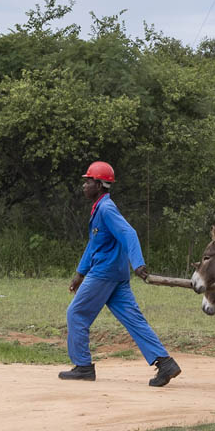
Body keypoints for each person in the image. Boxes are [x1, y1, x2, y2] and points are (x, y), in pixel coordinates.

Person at [58, 161, 182, 386]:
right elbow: (94, 244)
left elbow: (129, 233)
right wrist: (80, 273)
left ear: (99, 184)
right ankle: (165, 363)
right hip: (116, 275)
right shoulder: (99, 208)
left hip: (104, 273)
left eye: (88, 182)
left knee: (76, 314)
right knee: (133, 319)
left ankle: (83, 366)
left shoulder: (106, 208)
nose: (84, 186)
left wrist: (138, 263)